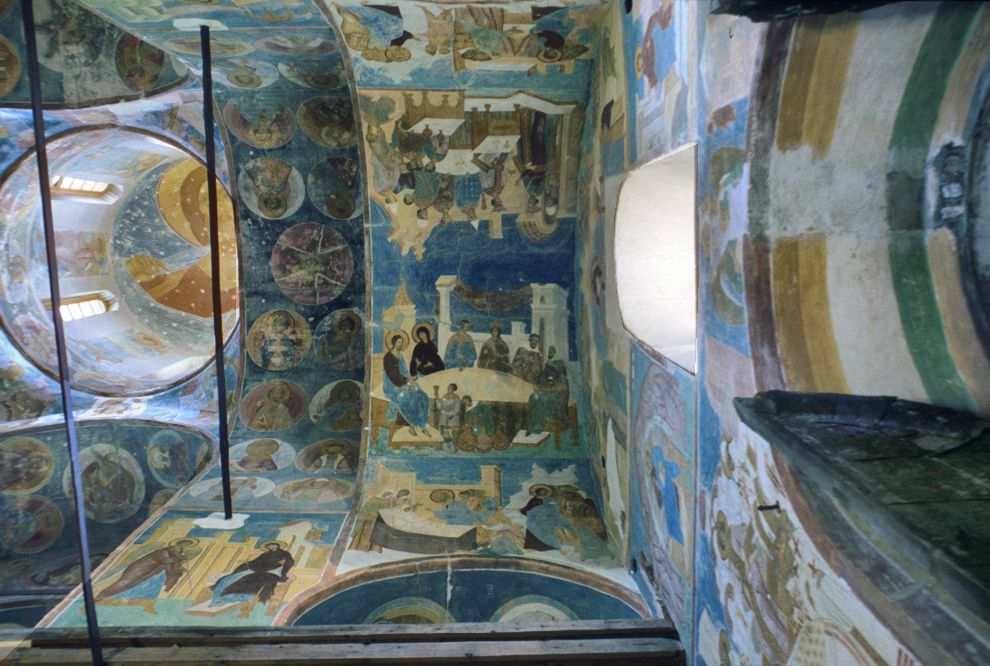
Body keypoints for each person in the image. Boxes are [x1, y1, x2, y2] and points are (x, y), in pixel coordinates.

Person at [95, 539, 200, 605]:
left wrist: (178, 568)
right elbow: (169, 567)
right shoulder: (164, 553)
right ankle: (99, 596)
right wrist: (170, 581)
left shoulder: (170, 555)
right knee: (123, 583)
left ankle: (105, 597)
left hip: (146, 572)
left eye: (181, 551)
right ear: (173, 549)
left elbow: (171, 565)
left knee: (130, 585)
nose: (179, 552)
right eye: (178, 550)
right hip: (137, 569)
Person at [207, 541, 294, 618]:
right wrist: (249, 563)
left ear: (278, 546)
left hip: (269, 571)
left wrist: (281, 564)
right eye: (269, 546)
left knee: (245, 581)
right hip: (257, 569)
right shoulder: (266, 554)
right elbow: (256, 562)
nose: (272, 547)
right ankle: (217, 598)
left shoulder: (284, 554)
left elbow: (289, 562)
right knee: (229, 578)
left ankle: (226, 598)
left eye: (273, 546)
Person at [383, 335, 430, 435]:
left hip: (404, 382)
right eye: (399, 342)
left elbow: (404, 371)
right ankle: (412, 425)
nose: (401, 344)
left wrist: (411, 381)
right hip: (392, 385)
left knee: (422, 395)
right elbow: (392, 376)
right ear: (394, 343)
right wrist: (407, 381)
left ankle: (423, 425)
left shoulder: (400, 355)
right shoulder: (388, 357)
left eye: (402, 342)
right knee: (406, 396)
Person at [527, 346, 569, 435]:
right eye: (549, 351)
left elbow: (562, 388)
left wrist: (543, 389)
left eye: (552, 351)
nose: (550, 353)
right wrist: (538, 386)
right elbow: (542, 380)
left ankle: (540, 425)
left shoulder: (560, 366)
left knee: (544, 399)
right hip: (547, 393)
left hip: (558, 397)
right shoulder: (547, 365)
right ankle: (533, 425)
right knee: (533, 397)